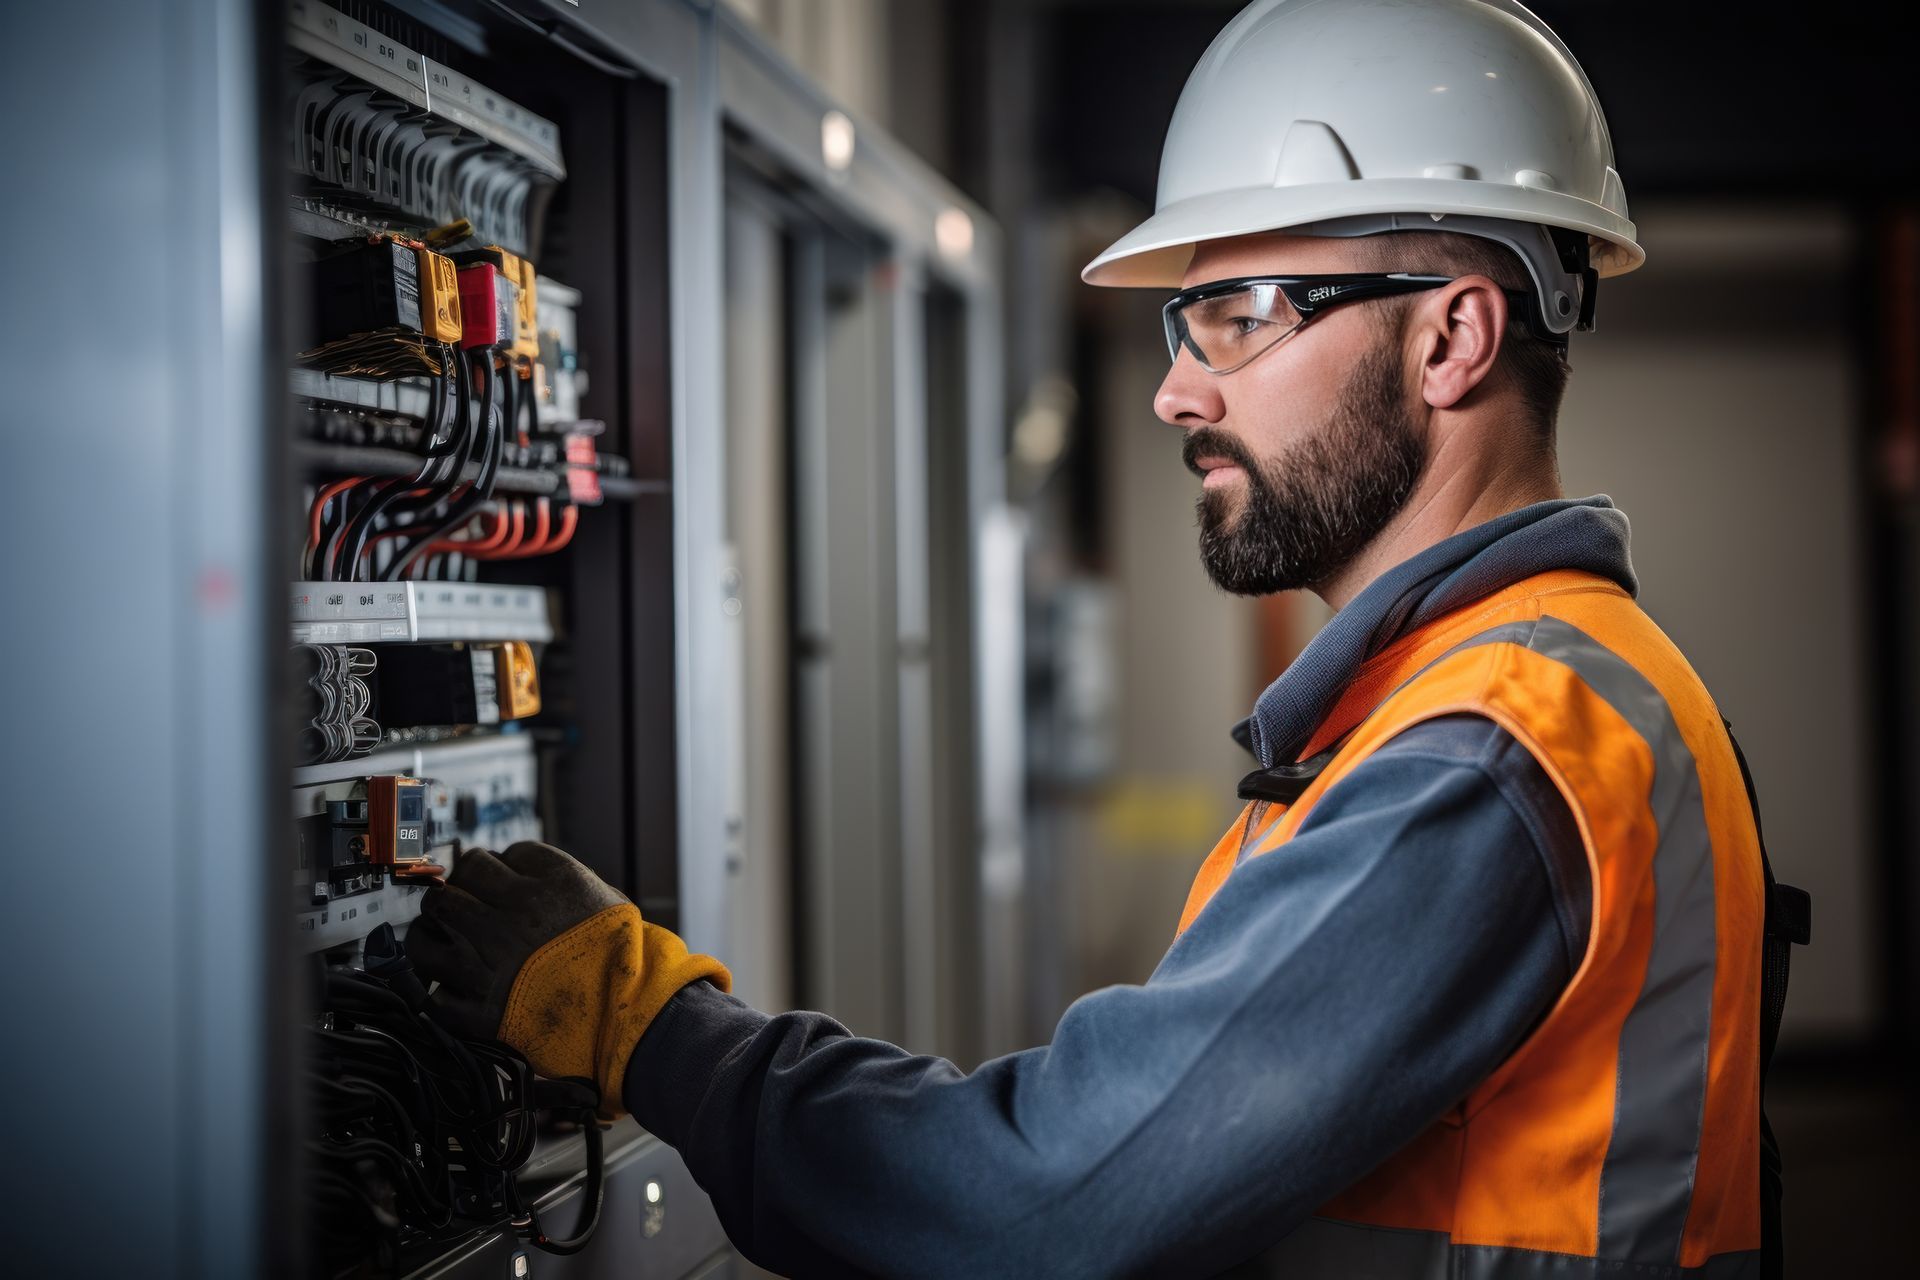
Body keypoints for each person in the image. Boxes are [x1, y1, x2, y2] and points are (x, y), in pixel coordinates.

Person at [409, 2, 1800, 1275]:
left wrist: (645, 1027)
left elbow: (1043, 1203)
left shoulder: (1495, 755)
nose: (1176, 394)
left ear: (1452, 340)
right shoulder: (1534, 696)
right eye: (1182, 326)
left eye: (1237, 318)